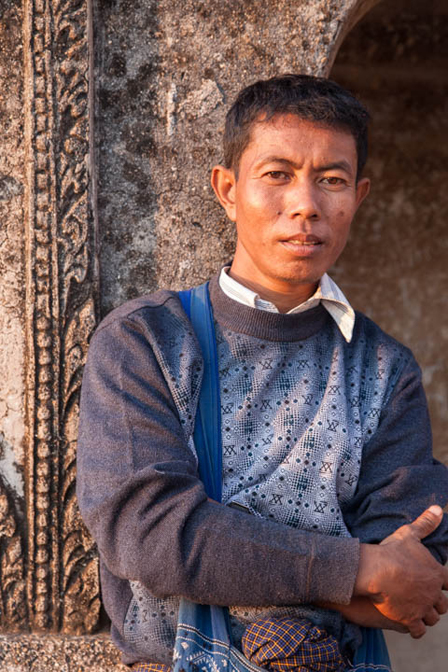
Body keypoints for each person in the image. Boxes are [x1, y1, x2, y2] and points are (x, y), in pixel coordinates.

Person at [76, 75, 448, 671]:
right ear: (227, 189)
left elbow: (411, 585)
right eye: (277, 174)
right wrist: (360, 568)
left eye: (332, 180)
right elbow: (151, 535)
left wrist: (232, 554)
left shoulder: (382, 369)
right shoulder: (147, 341)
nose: (306, 205)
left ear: (360, 195)